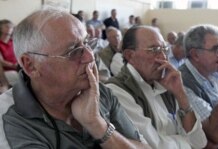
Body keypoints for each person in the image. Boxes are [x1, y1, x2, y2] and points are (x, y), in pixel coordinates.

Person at [1, 7, 151, 149]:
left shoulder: (99, 92)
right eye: (73, 51)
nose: (90, 56)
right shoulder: (10, 118)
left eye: (87, 43)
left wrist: (97, 125)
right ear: (31, 66)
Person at [106, 26, 207, 149]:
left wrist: (181, 95)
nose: (163, 57)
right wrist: (183, 140)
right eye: (154, 49)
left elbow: (199, 142)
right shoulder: (116, 90)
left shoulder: (167, 84)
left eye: (164, 49)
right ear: (130, 55)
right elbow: (152, 146)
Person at [0, 19, 18, 85]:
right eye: (7, 26)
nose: (11, 28)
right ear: (0, 28)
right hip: (7, 70)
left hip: (18, 66)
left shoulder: (13, 41)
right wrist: (15, 66)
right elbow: (1, 62)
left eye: (11, 26)